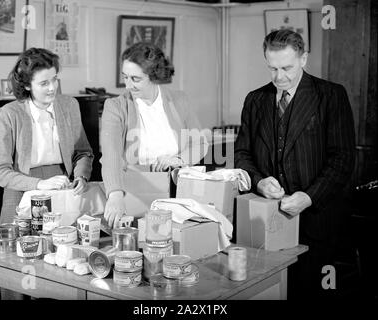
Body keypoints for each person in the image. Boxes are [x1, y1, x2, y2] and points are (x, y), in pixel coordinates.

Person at [234, 30, 356, 298]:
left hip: (317, 224)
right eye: (272, 68)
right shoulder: (255, 99)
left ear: (304, 58)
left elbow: (343, 159)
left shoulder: (331, 96)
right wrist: (258, 181)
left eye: (286, 67)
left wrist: (309, 197)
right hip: (267, 222)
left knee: (309, 293)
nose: (279, 77)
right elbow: (242, 154)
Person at [101, 42, 208, 228]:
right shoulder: (115, 107)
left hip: (177, 193)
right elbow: (111, 155)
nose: (128, 85)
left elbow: (200, 144)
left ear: (153, 76)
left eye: (135, 79)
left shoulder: (179, 100)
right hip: (134, 191)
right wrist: (115, 194)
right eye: (125, 77)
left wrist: (179, 158)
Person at [0, 47, 94, 225]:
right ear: (26, 85)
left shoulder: (70, 105)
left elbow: (83, 152)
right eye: (44, 83)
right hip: (20, 188)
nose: (52, 87)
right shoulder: (8, 114)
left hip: (63, 185)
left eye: (54, 79)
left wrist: (81, 177)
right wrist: (39, 183)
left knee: (64, 246)